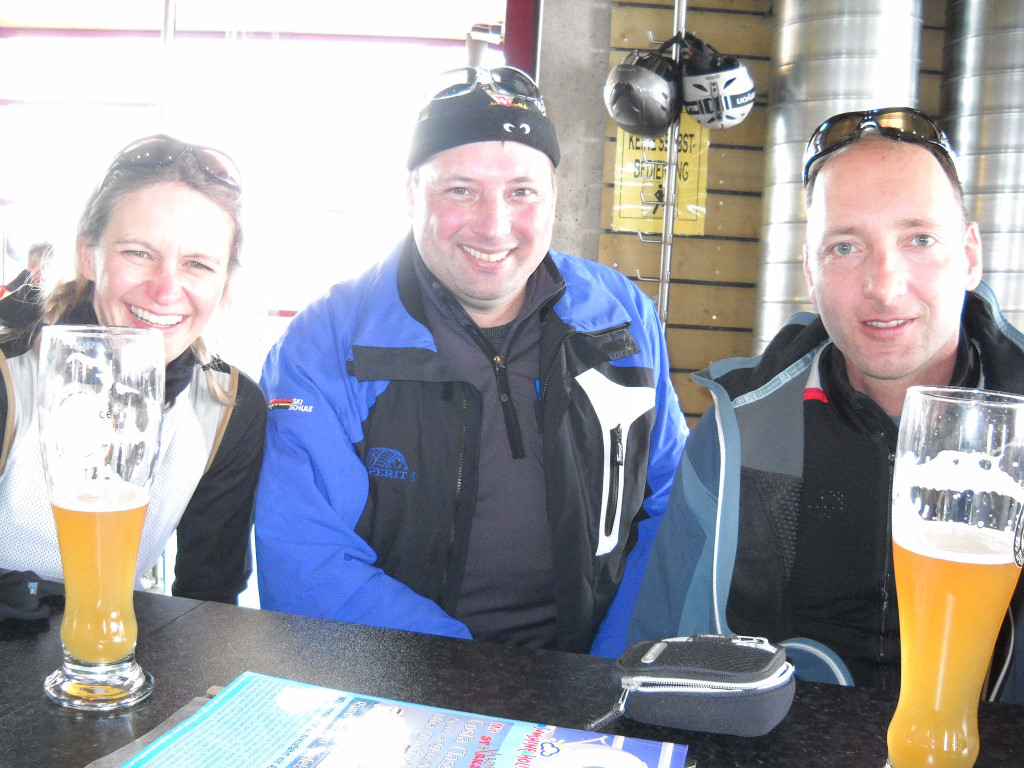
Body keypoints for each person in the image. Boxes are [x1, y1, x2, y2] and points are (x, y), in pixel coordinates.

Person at [255, 66, 686, 652]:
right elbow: (305, 558)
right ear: (411, 194)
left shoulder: (622, 316)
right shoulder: (326, 342)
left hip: (594, 669)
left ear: (554, 198)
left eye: (521, 192)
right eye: (460, 189)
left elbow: (674, 504)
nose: (494, 225)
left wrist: (613, 663)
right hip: (405, 676)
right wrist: (467, 675)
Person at [628, 107, 1024, 703]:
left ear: (970, 256)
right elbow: (663, 667)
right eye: (845, 247)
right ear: (811, 273)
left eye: (919, 240)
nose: (884, 286)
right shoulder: (739, 429)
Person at [0, 135, 267, 604]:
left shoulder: (228, 407)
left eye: (198, 264)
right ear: (88, 255)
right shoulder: (10, 381)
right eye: (139, 253)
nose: (165, 291)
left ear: (225, 279)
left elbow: (208, 600)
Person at [0, 241, 53, 329]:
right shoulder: (6, 295)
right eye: (46, 266)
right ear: (32, 265)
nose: (51, 273)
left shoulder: (61, 296)